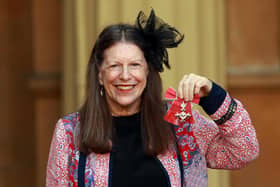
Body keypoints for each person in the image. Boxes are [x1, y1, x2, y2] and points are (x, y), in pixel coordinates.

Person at [46, 9, 259, 187]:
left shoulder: (179, 123)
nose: (126, 75)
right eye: (114, 66)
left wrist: (213, 96)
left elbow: (243, 151)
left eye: (135, 65)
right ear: (100, 75)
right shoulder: (70, 132)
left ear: (148, 72)